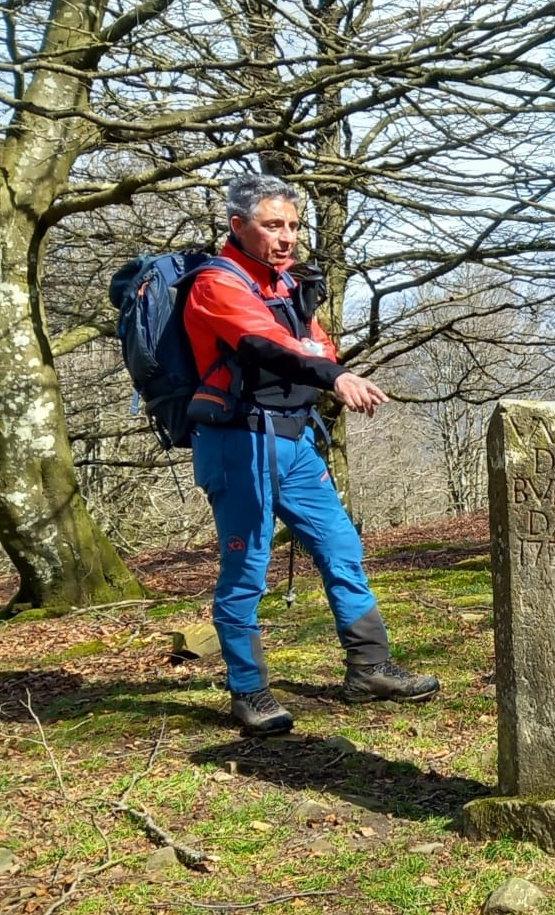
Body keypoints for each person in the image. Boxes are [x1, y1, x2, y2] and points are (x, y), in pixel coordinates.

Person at [184, 173, 439, 737]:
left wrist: (318, 355)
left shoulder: (286, 286)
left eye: (294, 226)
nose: (287, 238)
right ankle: (248, 690)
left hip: (294, 441)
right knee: (247, 568)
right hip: (239, 442)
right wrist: (329, 371)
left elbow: (321, 346)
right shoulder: (215, 283)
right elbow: (263, 344)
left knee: (342, 547)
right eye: (272, 225)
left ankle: (369, 667)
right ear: (238, 225)